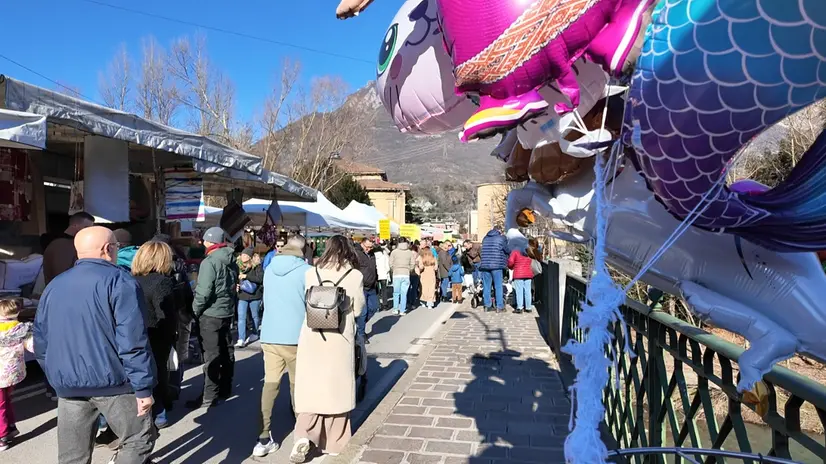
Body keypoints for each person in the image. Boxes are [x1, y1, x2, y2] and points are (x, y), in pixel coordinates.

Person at [34, 226, 156, 463]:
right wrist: (143, 388)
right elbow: (132, 340)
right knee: (138, 439)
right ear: (107, 249)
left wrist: (55, 374)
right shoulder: (120, 281)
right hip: (115, 382)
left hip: (68, 385)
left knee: (72, 456)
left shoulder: (54, 286)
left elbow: (41, 341)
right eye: (116, 247)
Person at [290, 235, 365, 463]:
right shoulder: (354, 276)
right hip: (339, 339)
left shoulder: (311, 273)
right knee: (336, 390)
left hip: (312, 336)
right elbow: (359, 309)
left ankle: (303, 435)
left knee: (312, 387)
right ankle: (335, 443)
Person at [253, 235, 311, 458]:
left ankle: (263, 436)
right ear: (303, 251)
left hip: (269, 334)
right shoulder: (305, 271)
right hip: (296, 336)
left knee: (270, 384)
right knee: (298, 385)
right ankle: (301, 434)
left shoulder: (269, 268)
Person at [188, 226, 239, 409]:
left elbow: (203, 293)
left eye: (205, 240)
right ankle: (225, 388)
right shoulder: (232, 259)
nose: (203, 243)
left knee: (211, 355)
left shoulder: (209, 263)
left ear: (210, 242)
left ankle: (209, 396)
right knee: (226, 351)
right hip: (226, 311)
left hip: (210, 314)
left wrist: (194, 311)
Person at [0, 298, 33, 451]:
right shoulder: (22, 329)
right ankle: (11, 427)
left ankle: (2, 436)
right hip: (14, 374)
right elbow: (32, 346)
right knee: (6, 400)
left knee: (0, 405)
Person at [42, 211, 95, 285]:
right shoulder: (62, 244)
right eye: (86, 228)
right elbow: (62, 274)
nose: (88, 232)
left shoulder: (59, 243)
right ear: (75, 226)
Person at [236, 247, 264, 348]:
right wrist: (236, 285)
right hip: (242, 295)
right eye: (243, 254)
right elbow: (234, 277)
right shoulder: (237, 265)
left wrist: (246, 277)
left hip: (254, 295)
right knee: (241, 317)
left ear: (250, 257)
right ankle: (241, 338)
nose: (244, 257)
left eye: (246, 255)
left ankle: (255, 333)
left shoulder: (256, 266)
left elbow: (260, 279)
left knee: (255, 316)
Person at [480, 227, 510, 313]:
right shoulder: (501, 238)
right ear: (500, 231)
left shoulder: (485, 238)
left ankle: (487, 306)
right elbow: (507, 250)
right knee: (498, 286)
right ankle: (499, 306)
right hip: (497, 265)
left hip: (485, 265)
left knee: (486, 286)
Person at [507, 237, 541, 314]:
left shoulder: (515, 251)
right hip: (528, 273)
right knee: (527, 290)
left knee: (519, 291)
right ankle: (528, 307)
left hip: (518, 274)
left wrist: (511, 267)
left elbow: (510, 262)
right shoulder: (529, 251)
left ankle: (519, 307)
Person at [355, 237, 378, 343]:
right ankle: (361, 333)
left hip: (372, 286)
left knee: (374, 307)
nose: (369, 249)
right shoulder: (357, 254)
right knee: (363, 312)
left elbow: (374, 268)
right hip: (361, 286)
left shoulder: (372, 254)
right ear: (362, 244)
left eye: (371, 247)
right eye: (367, 247)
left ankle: (359, 324)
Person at [388, 238, 416, 315]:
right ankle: (402, 310)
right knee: (404, 293)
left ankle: (395, 309)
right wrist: (409, 270)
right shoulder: (409, 252)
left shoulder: (394, 252)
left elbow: (390, 263)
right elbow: (413, 263)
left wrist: (393, 269)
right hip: (406, 274)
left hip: (396, 273)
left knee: (396, 293)